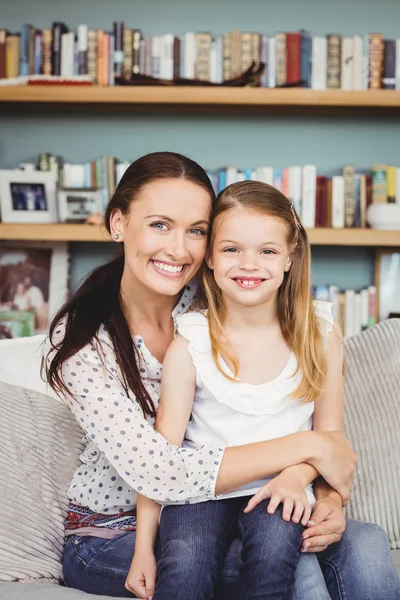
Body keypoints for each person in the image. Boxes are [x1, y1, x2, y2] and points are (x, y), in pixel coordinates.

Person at [42, 152, 398, 599]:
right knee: (291, 571)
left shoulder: (214, 287)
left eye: (196, 231)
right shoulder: (80, 340)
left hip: (238, 504)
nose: (179, 249)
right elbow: (162, 470)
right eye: (159, 224)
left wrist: (327, 500)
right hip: (115, 530)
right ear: (118, 223)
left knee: (365, 544)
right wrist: (310, 447)